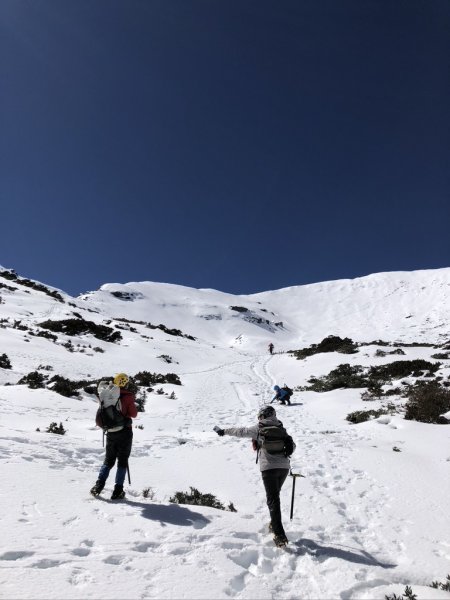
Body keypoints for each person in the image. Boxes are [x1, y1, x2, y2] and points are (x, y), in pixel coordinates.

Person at [214, 405, 295, 547]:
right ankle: (273, 524)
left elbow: (241, 431)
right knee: (275, 497)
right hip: (283, 468)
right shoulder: (281, 428)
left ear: (262, 415)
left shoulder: (259, 427)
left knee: (273, 500)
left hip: (268, 468)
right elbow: (292, 446)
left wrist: (224, 431)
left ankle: (279, 535)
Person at [90, 373, 137, 500]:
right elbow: (133, 414)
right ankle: (118, 491)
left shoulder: (107, 393)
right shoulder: (127, 397)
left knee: (108, 460)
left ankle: (98, 486)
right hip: (125, 433)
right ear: (126, 383)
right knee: (122, 461)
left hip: (110, 432)